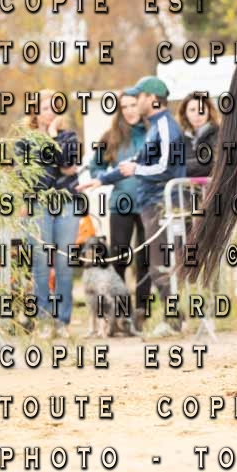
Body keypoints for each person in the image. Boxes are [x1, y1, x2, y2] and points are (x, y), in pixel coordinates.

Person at [78, 76, 187, 336]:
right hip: (147, 203)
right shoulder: (155, 127)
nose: (135, 103)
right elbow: (134, 162)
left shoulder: (166, 127)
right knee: (155, 266)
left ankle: (173, 322)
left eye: (138, 97)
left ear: (152, 98)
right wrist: (102, 180)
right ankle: (165, 320)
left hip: (160, 203)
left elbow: (165, 167)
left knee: (158, 265)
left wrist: (137, 169)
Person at [15, 89, 83, 338]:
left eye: (55, 107)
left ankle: (62, 321)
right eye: (45, 108)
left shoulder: (69, 136)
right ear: (35, 112)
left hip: (67, 203)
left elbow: (67, 165)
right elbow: (32, 177)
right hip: (38, 205)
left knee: (64, 263)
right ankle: (43, 319)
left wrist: (53, 138)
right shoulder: (25, 141)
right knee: (41, 264)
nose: (51, 112)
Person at [86, 93, 150, 310]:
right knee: (120, 258)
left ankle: (142, 310)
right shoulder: (110, 137)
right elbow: (95, 168)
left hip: (148, 204)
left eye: (133, 105)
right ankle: (121, 312)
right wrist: (110, 175)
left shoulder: (153, 133)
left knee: (145, 259)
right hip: (121, 204)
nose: (130, 110)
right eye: (125, 107)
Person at [179, 93, 220, 178]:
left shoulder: (218, 133)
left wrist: (179, 167)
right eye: (192, 110)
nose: (197, 114)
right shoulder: (180, 137)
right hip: (185, 185)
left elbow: (211, 163)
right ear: (185, 113)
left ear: (209, 111)